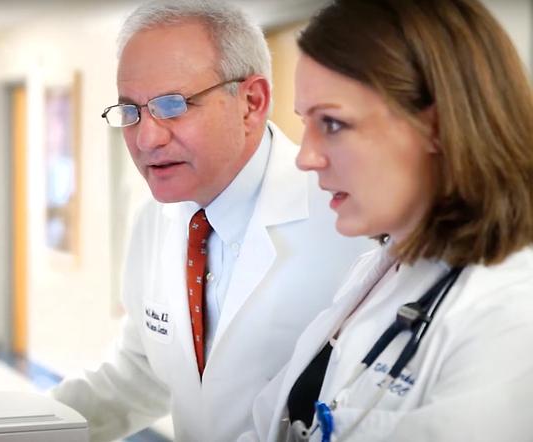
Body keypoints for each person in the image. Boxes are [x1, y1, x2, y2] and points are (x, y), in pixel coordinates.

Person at [50, 1, 371, 441]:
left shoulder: (352, 220)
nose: (146, 138)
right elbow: (143, 372)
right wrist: (14, 425)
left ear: (251, 102)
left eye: (172, 105)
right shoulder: (156, 221)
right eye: (131, 111)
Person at [242, 0, 533, 440]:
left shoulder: (511, 317)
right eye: (305, 123)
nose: (306, 157)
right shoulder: (381, 266)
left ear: (436, 126)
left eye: (333, 124)